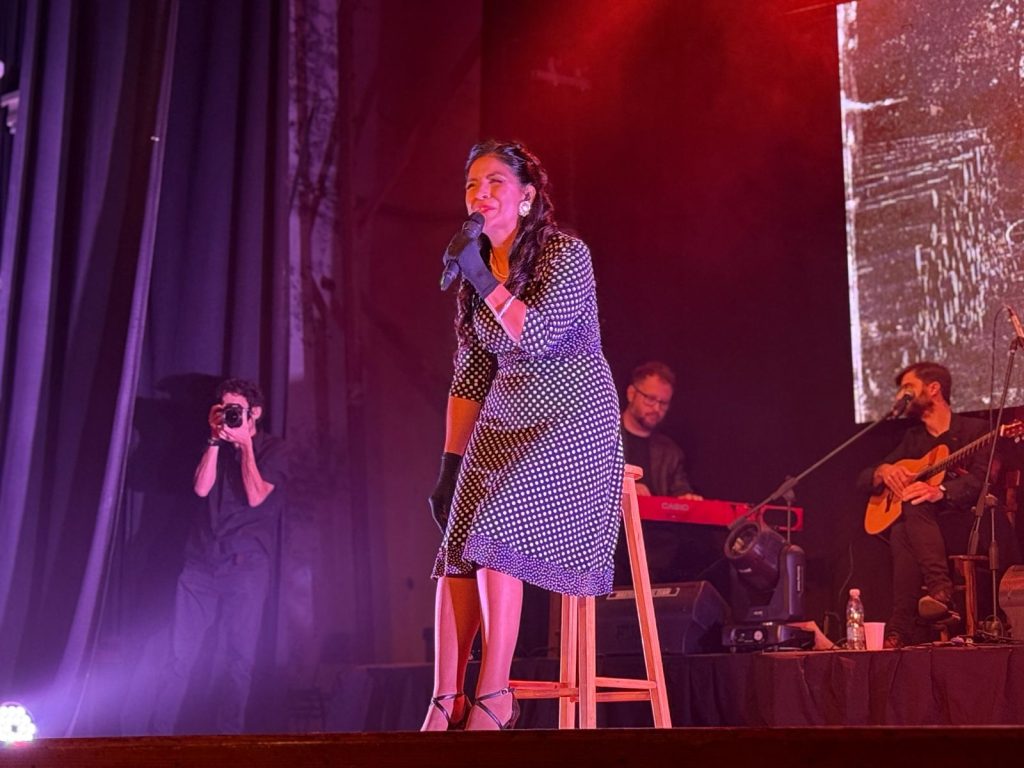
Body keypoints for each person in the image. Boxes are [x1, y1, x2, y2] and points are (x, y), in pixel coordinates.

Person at [423, 140, 623, 731]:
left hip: (572, 418)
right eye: (472, 185)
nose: (480, 194)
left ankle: (494, 693)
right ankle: (445, 699)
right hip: (504, 420)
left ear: (527, 198)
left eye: (495, 183)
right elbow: (470, 377)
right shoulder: (477, 274)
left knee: (494, 526)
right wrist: (449, 466)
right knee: (458, 541)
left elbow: (535, 337)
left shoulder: (565, 254)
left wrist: (480, 275)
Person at [151, 378, 288, 733]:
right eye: (225, 409)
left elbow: (256, 496)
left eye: (237, 410)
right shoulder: (214, 443)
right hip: (200, 564)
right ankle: (158, 741)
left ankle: (229, 743)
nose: (231, 416)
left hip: (245, 567)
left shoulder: (274, 449)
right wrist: (214, 440)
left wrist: (245, 447)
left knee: (238, 661)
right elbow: (200, 489)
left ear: (255, 413)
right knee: (178, 656)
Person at [857, 361, 987, 649]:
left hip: (966, 525)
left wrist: (940, 491)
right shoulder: (913, 439)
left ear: (934, 389)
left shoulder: (975, 430)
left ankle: (925, 604)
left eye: (907, 388)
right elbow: (864, 479)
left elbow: (981, 478)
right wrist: (884, 471)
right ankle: (913, 617)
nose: (899, 397)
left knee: (913, 506)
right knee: (903, 527)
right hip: (924, 533)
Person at [615, 361, 718, 587]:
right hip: (612, 546)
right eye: (650, 399)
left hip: (655, 553)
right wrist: (625, 487)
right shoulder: (603, 437)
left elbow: (679, 491)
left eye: (663, 403)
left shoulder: (669, 451)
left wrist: (687, 499)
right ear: (631, 393)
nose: (656, 408)